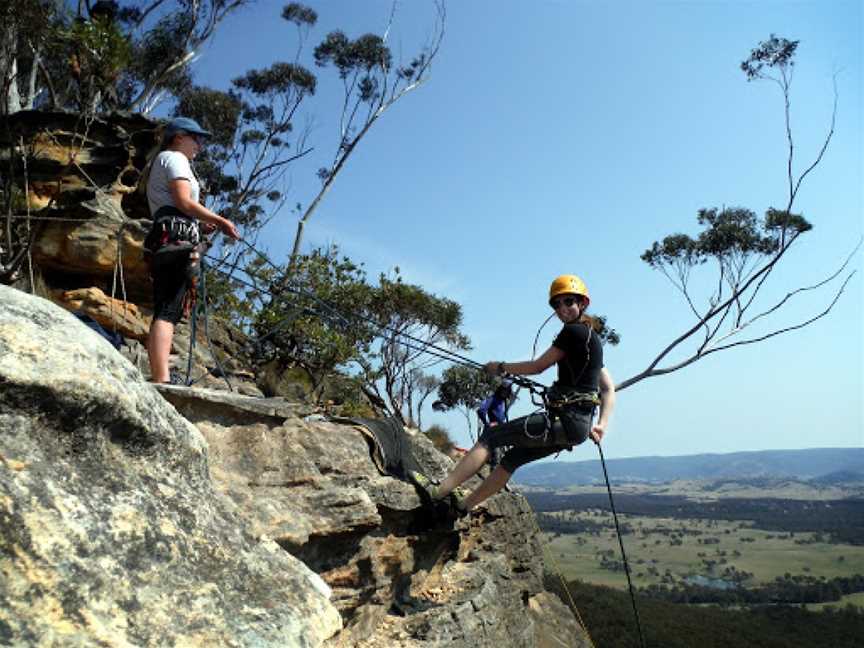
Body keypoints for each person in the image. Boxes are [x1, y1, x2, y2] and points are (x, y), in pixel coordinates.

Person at [410, 274, 616, 515]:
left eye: (568, 301)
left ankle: (438, 492)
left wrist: (500, 367)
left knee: (491, 437)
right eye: (556, 304)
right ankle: (462, 507)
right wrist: (601, 424)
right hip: (577, 428)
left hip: (565, 420)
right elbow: (607, 388)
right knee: (511, 460)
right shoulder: (594, 339)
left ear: (582, 303)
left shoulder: (573, 332)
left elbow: (538, 366)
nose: (562, 309)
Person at [144, 117, 240, 384]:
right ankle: (161, 379)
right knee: (168, 311)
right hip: (176, 239)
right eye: (195, 138)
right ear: (178, 137)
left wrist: (200, 225)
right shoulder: (175, 159)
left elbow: (175, 206)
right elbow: (184, 201)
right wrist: (221, 221)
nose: (200, 144)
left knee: (166, 308)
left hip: (166, 236)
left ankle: (159, 375)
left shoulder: (163, 160)